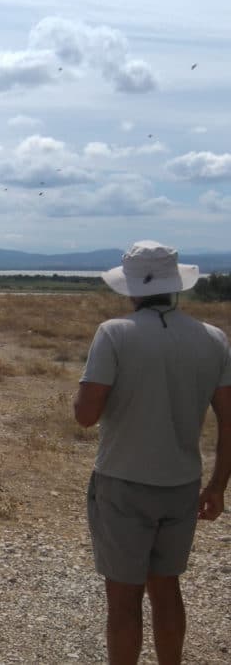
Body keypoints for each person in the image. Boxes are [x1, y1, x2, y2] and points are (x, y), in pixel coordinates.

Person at [74, 240, 231, 664]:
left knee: (124, 602)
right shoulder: (213, 339)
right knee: (167, 590)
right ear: (174, 285)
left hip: (123, 482)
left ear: (133, 288)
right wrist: (218, 485)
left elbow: (86, 416)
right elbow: (229, 418)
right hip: (182, 484)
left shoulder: (115, 333)